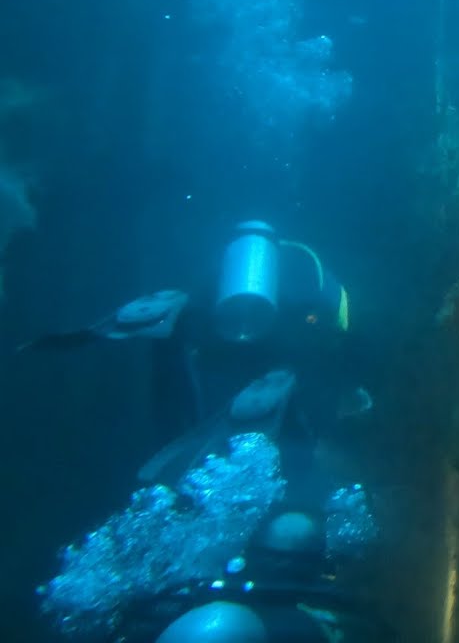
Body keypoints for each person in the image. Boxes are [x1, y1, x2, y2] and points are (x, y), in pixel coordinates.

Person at [26, 220, 388, 642]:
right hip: (279, 386)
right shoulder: (313, 279)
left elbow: (173, 319)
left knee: (206, 483)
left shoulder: (223, 285)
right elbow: (340, 332)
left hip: (225, 374)